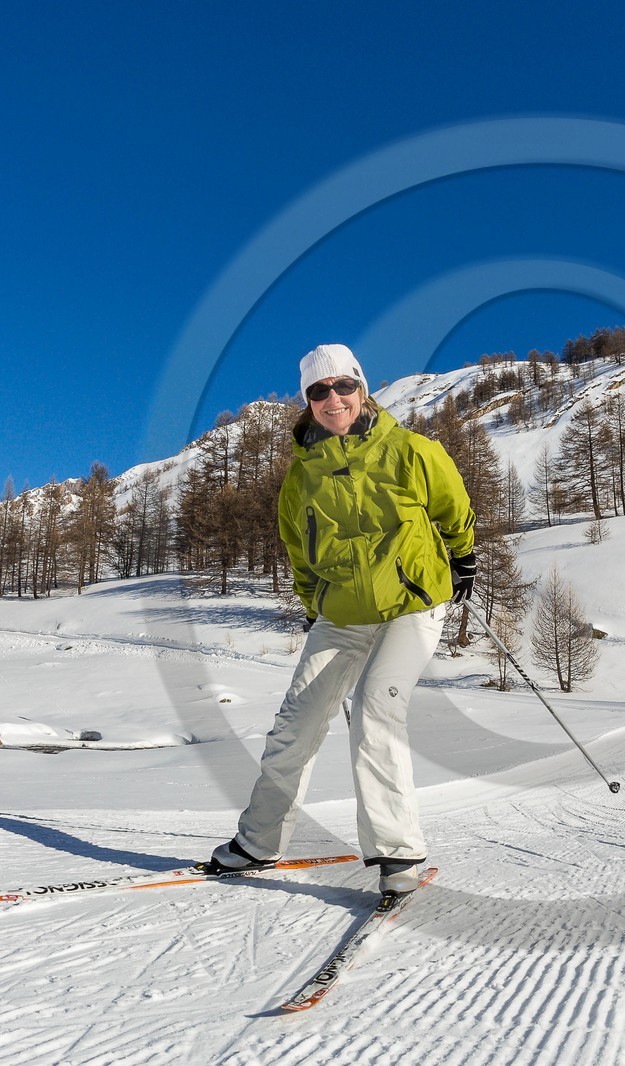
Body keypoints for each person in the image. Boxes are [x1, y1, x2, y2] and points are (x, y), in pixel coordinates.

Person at [204, 343, 477, 894]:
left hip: (411, 605)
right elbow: (300, 556)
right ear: (307, 402)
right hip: (341, 615)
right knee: (294, 724)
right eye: (318, 391)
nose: (333, 399)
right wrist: (314, 610)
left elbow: (454, 509)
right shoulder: (300, 480)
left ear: (362, 387)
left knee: (377, 710)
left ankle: (398, 853)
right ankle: (258, 841)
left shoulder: (411, 450)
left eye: (343, 386)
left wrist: (464, 556)